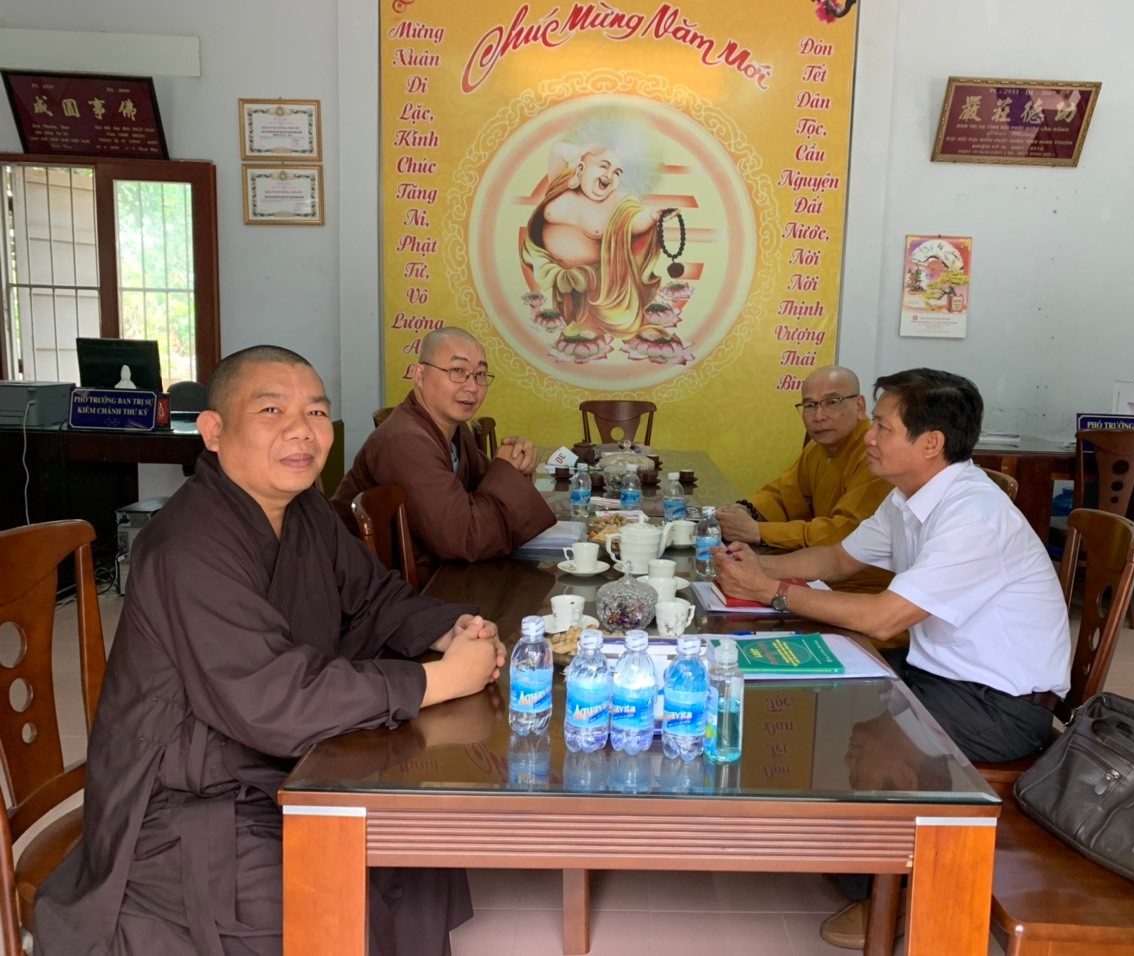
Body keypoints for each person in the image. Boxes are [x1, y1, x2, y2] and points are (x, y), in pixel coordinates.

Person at [35, 345, 505, 956]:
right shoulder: (185, 546)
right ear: (213, 430)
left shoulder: (304, 508)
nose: (299, 432)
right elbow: (273, 700)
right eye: (271, 410)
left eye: (315, 413)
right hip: (189, 807)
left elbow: (375, 598)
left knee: (413, 842)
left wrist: (453, 631)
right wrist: (436, 682)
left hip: (278, 765)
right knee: (325, 899)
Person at [712, 367, 1070, 949]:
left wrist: (770, 591)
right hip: (940, 675)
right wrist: (748, 564)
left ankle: (891, 894)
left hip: (998, 706)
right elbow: (835, 561)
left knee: (865, 731)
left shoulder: (971, 516)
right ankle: (851, 850)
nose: (869, 437)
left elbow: (883, 617)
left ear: (931, 443)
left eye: (881, 425)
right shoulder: (908, 499)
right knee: (809, 678)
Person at [331, 328, 555, 578]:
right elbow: (464, 538)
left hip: (439, 570)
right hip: (383, 589)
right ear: (420, 374)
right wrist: (506, 470)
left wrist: (516, 465)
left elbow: (484, 491)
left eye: (480, 374)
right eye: (457, 371)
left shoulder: (457, 430)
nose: (472, 387)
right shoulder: (405, 440)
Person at [714, 366, 892, 595]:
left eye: (832, 402)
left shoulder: (875, 457)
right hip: (816, 574)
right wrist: (746, 511)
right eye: (810, 405)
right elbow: (783, 494)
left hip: (862, 587)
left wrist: (759, 531)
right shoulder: (817, 449)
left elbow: (843, 536)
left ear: (860, 406)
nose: (819, 416)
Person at [522, 139, 674, 358]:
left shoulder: (617, 202)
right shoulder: (561, 184)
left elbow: (632, 223)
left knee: (595, 329)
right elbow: (557, 150)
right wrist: (580, 151)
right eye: (603, 166)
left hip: (597, 285)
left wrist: (653, 215)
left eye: (617, 172)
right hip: (556, 278)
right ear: (581, 169)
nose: (610, 175)